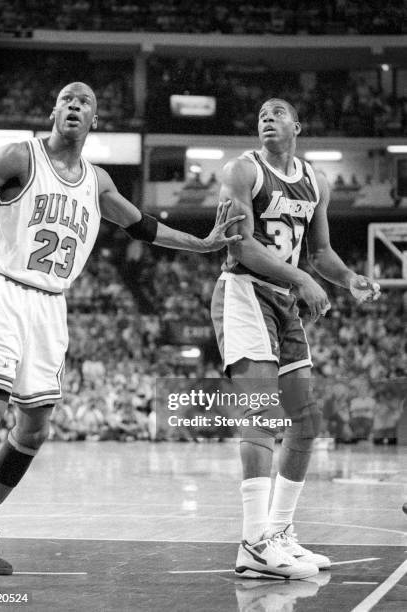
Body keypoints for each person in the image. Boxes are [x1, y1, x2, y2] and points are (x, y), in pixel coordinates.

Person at [0, 82, 243, 592]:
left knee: (34, 429)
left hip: (51, 306)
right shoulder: (21, 156)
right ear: (53, 110)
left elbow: (144, 227)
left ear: (94, 121)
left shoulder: (97, 181)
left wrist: (202, 244)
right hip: (2, 291)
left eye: (85, 101)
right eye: (66, 98)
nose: (73, 105)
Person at [211, 97, 380, 580]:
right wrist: (303, 280)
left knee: (306, 420)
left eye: (278, 112)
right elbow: (238, 243)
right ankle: (252, 543)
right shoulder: (243, 171)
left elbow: (321, 251)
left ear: (297, 126)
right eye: (262, 112)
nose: (268, 116)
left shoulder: (315, 181)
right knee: (262, 416)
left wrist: (347, 279)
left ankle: (280, 531)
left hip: (283, 300)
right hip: (243, 291)